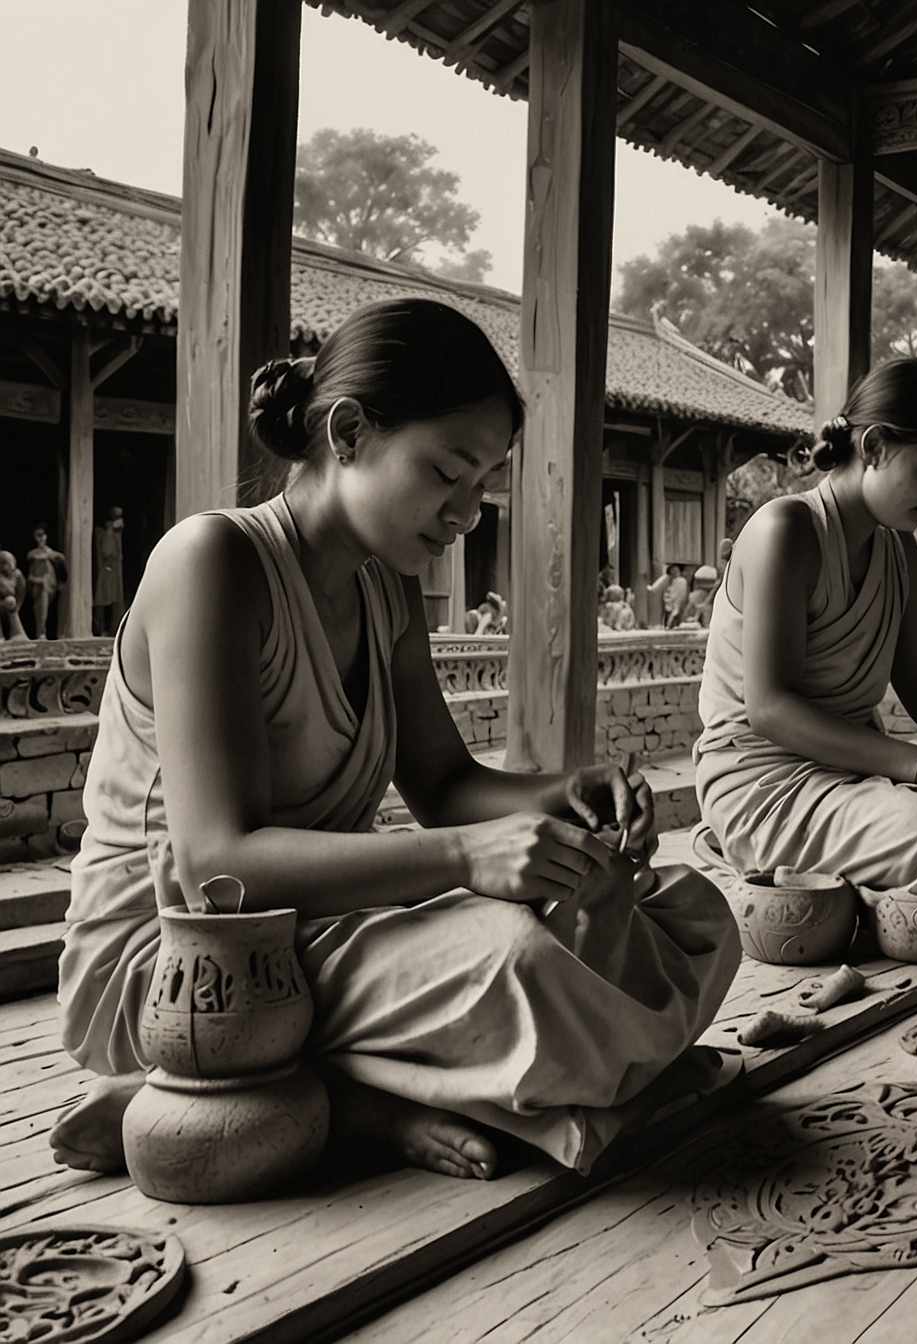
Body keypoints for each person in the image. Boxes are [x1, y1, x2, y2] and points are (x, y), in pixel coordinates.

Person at [52, 298, 740, 1182]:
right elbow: (216, 863)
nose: (465, 514)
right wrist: (463, 858)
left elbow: (447, 784)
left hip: (328, 924)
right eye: (447, 473)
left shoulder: (387, 588)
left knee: (684, 912)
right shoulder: (213, 563)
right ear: (347, 433)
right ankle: (312, 1096)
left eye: (483, 485)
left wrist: (568, 795)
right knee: (523, 965)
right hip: (188, 962)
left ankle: (290, 1087)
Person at [695, 358, 917, 904]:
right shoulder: (787, 530)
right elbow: (770, 709)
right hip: (762, 783)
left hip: (847, 769)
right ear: (872, 448)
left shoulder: (897, 548)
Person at [25, 526, 65, 640]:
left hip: (49, 584)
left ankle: (44, 632)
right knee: (40, 608)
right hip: (38, 584)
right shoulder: (34, 554)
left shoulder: (52, 554)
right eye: (38, 536)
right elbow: (31, 558)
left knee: (46, 608)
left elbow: (61, 560)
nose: (41, 539)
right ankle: (40, 632)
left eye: (42, 535)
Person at [93, 507, 126, 636]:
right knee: (105, 599)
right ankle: (101, 629)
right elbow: (107, 551)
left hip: (113, 569)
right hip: (109, 570)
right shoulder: (108, 533)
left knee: (111, 599)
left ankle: (113, 629)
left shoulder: (115, 533)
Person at [648, 563, 690, 629]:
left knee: (674, 613)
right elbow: (658, 585)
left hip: (676, 602)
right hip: (671, 603)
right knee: (671, 614)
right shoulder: (670, 579)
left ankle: (669, 625)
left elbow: (680, 595)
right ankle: (668, 625)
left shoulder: (681, 581)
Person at [0, 551, 26, 640]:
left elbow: (20, 593)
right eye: (5, 563)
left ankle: (16, 634)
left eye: (11, 562)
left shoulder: (18, 575)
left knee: (11, 602)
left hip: (10, 602)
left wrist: (16, 607)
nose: (10, 566)